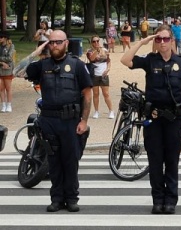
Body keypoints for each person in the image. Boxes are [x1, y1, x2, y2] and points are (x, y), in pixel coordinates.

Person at [121, 24, 181, 215]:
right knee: (155, 161)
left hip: (174, 119)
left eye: (165, 39)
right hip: (153, 118)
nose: (162, 42)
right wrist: (142, 41)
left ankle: (170, 200)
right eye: (159, 39)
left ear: (172, 40)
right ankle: (158, 200)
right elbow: (125, 60)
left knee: (172, 161)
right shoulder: (150, 60)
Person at [25, 32, 92, 212]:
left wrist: (84, 121)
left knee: (70, 162)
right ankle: (56, 199)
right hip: (49, 121)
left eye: (58, 42)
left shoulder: (77, 65)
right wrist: (37, 51)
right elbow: (18, 70)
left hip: (70, 121)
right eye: (51, 42)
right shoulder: (42, 65)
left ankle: (71, 198)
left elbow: (87, 93)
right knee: (53, 163)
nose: (54, 45)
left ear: (66, 43)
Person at [86, 35, 114, 119]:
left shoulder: (105, 51)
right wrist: (97, 50)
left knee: (106, 94)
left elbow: (108, 61)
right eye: (94, 41)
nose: (96, 43)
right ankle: (96, 111)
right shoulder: (89, 51)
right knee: (95, 94)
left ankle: (111, 110)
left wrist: (108, 69)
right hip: (94, 74)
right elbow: (91, 59)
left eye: (97, 41)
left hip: (103, 75)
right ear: (92, 43)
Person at [0, 31, 16, 112]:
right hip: (0, 69)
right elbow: (5, 58)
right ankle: (3, 105)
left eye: (1, 37)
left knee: (8, 88)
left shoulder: (11, 46)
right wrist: (2, 62)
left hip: (8, 69)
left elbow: (9, 58)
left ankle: (9, 105)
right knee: (1, 88)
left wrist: (1, 59)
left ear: (5, 38)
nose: (0, 39)